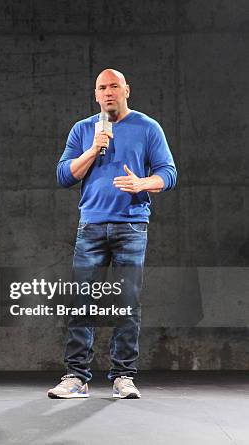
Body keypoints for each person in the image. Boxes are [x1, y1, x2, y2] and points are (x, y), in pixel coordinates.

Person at [48, 69, 177, 399]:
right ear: (96, 94)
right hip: (91, 225)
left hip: (131, 226)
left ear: (126, 90)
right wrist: (92, 150)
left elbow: (168, 173)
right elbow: (64, 175)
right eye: (102, 87)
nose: (108, 92)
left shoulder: (148, 128)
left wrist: (142, 183)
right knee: (81, 302)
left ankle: (123, 376)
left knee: (126, 303)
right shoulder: (83, 130)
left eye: (114, 86)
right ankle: (76, 377)